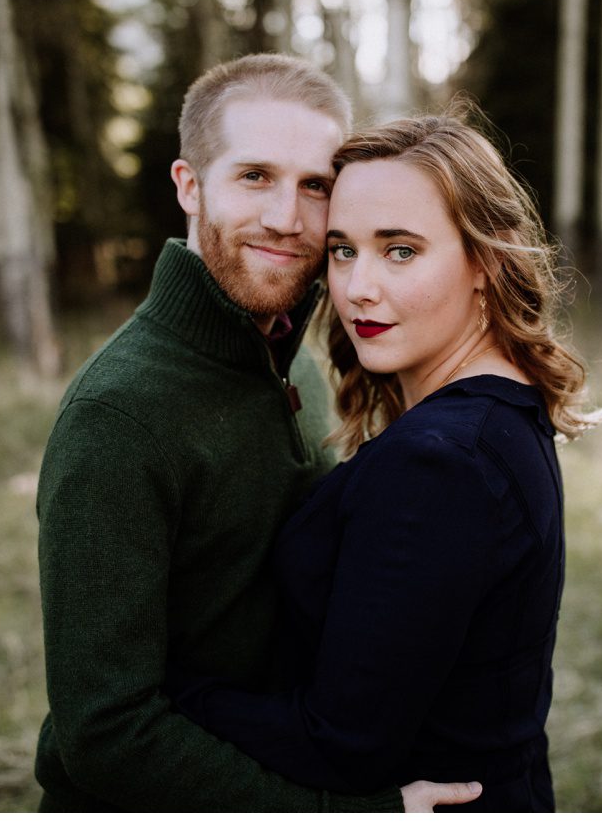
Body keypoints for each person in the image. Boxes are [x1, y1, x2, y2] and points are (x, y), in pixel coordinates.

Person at [33, 54, 479, 812]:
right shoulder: (118, 419)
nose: (287, 217)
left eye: (314, 186)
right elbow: (107, 734)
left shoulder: (294, 364)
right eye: (254, 177)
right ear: (189, 185)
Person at [166, 111, 602, 811]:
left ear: (486, 263)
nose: (358, 288)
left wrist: (172, 695)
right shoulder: (504, 413)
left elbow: (340, 741)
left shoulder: (440, 462)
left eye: (400, 250)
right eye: (342, 250)